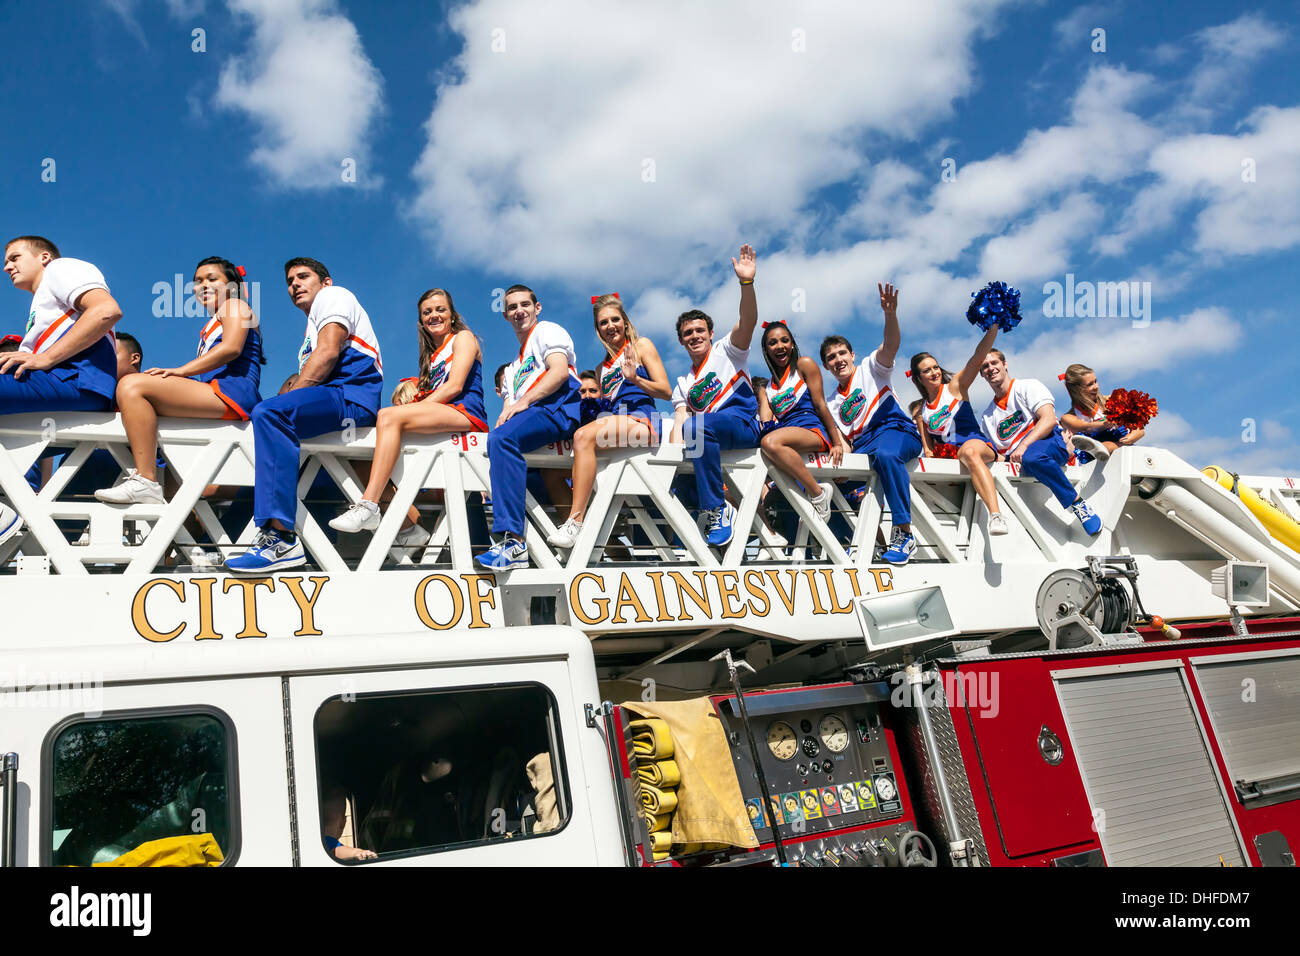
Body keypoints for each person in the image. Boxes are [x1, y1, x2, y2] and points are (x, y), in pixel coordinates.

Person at [224, 257, 383, 572]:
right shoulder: (312, 325)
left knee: (269, 414)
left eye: (302, 276)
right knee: (272, 426)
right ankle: (278, 537)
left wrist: (283, 405)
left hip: (352, 396)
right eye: (289, 281)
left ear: (325, 282)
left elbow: (327, 354)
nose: (294, 284)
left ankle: (281, 539)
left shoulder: (333, 296)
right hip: (337, 397)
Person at [95, 257, 264, 505]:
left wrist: (181, 371)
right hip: (216, 394)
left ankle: (146, 479)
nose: (202, 285)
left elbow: (231, 349)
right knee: (145, 404)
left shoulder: (235, 306)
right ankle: (162, 489)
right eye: (197, 281)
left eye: (212, 279)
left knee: (133, 385)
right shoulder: (213, 321)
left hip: (232, 394)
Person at [329, 287, 486, 542]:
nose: (434, 315)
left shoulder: (463, 338)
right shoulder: (432, 357)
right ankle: (408, 528)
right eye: (427, 312)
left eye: (440, 309)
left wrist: (411, 410)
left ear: (452, 315)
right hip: (443, 416)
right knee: (365, 442)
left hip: (465, 415)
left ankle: (368, 504)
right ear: (421, 321)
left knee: (389, 417)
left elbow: (456, 386)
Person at [547, 294, 671, 548]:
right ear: (598, 329)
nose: (611, 326)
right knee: (553, 470)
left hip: (643, 421)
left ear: (625, 322)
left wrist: (636, 379)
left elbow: (666, 391)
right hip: (616, 426)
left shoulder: (641, 346)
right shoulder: (601, 369)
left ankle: (576, 522)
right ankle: (600, 538)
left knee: (583, 437)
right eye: (604, 322)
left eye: (615, 319)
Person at [474, 285, 582, 571]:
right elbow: (508, 411)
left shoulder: (547, 330)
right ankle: (520, 541)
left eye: (525, 304)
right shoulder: (512, 369)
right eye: (512, 307)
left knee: (501, 441)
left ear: (537, 307)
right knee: (496, 444)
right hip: (534, 412)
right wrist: (512, 410)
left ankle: (514, 543)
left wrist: (523, 402)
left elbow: (558, 372)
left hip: (557, 406)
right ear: (505, 315)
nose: (519, 310)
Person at [819, 284, 924, 564]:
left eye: (842, 353)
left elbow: (890, 346)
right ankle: (852, 542)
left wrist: (890, 315)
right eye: (831, 358)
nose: (838, 360)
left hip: (894, 431)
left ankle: (903, 533)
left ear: (852, 355)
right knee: (827, 484)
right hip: (863, 447)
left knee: (887, 455)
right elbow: (842, 441)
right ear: (827, 367)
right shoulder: (831, 402)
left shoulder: (870, 368)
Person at [669, 245, 763, 547]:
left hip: (742, 425)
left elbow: (748, 321)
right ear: (682, 341)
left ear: (711, 333)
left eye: (699, 330)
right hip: (709, 435)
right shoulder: (683, 383)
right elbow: (679, 422)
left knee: (696, 428)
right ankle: (700, 526)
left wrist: (746, 284)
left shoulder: (727, 350)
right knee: (679, 464)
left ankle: (716, 509)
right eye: (687, 333)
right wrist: (671, 461)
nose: (694, 336)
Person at [974, 350, 1102, 535]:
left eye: (994, 363)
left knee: (1032, 457)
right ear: (981, 373)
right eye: (985, 366)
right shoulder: (987, 415)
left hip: (1047, 441)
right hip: (1019, 459)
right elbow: (1000, 453)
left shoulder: (1027, 386)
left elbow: (1048, 420)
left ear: (1005, 364)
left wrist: (1024, 445)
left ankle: (1078, 504)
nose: (991, 368)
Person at [1, 236, 122, 415]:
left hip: (76, 381)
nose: (6, 267)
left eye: (15, 258)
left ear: (44, 257)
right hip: (58, 383)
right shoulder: (42, 301)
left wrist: (46, 357)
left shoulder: (58, 267)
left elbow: (106, 310)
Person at [908, 325, 1007, 533]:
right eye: (927, 370)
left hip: (975, 446)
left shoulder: (954, 387)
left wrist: (993, 326)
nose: (934, 372)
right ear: (918, 379)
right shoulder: (922, 410)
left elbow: (977, 357)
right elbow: (928, 450)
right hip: (951, 461)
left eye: (935, 367)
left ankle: (996, 516)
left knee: (969, 452)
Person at [755, 320, 847, 519]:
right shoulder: (767, 387)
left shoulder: (803, 365)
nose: (779, 346)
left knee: (769, 442)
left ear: (792, 344)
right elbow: (766, 421)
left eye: (784, 340)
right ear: (766, 350)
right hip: (787, 437)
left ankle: (818, 493)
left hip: (812, 431)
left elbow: (820, 404)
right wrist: (762, 397)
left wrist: (837, 442)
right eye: (772, 343)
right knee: (767, 444)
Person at [1060, 363, 1144, 463]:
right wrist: (1112, 420)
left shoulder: (1112, 400)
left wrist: (1131, 437)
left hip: (1123, 455)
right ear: (1076, 390)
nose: (1096, 386)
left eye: (1095, 381)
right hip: (1093, 466)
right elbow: (1088, 427)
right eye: (1090, 384)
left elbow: (1140, 429)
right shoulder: (1068, 417)